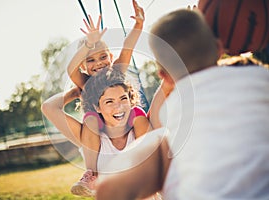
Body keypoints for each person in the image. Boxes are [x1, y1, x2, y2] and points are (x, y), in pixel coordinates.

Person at [95, 9, 269, 199]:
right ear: (220, 48)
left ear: (163, 76)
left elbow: (107, 190)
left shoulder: (175, 107)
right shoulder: (259, 78)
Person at [65, 0, 147, 196]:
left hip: (126, 125)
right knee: (91, 119)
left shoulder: (117, 70)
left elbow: (127, 48)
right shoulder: (85, 82)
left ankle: (147, 163)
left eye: (103, 57)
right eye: (91, 60)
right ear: (83, 66)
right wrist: (88, 44)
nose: (98, 63)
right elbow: (70, 69)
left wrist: (138, 25)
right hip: (103, 133)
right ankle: (91, 174)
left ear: (110, 56)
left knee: (139, 114)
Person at [41, 68, 152, 197]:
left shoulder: (141, 129)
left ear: (130, 100)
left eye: (123, 99)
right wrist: (76, 92)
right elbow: (48, 107)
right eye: (109, 101)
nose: (119, 107)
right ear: (97, 107)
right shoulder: (91, 141)